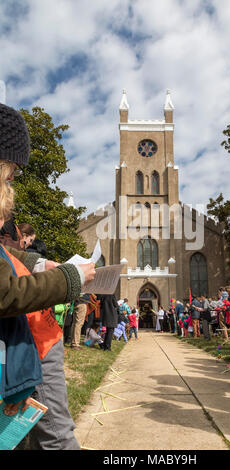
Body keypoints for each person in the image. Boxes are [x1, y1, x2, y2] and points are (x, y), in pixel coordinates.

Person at [0, 102, 95, 450]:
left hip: (31, 342)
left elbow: (4, 254)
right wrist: (70, 278)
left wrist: (37, 263)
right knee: (55, 438)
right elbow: (4, 293)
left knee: (19, 437)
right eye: (12, 170)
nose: (14, 179)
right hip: (29, 344)